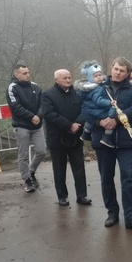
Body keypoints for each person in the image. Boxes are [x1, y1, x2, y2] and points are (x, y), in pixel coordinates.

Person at [90, 57, 132, 230]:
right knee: (106, 178)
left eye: (122, 70)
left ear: (127, 73)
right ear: (111, 68)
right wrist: (100, 122)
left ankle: (130, 216)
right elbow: (87, 109)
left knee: (128, 177)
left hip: (125, 141)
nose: (118, 72)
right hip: (102, 140)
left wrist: (116, 120)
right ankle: (112, 213)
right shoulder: (98, 87)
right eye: (116, 69)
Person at [42, 69, 91, 207]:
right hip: (58, 138)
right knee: (59, 169)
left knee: (79, 168)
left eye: (69, 78)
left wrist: (79, 123)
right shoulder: (48, 95)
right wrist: (69, 125)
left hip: (76, 137)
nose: (68, 80)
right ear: (56, 79)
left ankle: (82, 195)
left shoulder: (77, 93)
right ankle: (62, 196)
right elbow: (49, 114)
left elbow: (85, 109)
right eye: (64, 78)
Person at [6, 64, 47, 193]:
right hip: (22, 125)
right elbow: (15, 107)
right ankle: (27, 180)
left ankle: (31, 171)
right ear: (16, 75)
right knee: (23, 155)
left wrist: (38, 116)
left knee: (41, 151)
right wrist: (31, 116)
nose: (28, 75)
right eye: (24, 73)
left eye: (28, 72)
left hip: (37, 125)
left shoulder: (35, 86)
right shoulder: (12, 88)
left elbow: (43, 103)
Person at [77, 63, 116, 147]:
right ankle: (107, 138)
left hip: (92, 111)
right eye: (95, 76)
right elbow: (98, 100)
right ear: (90, 78)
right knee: (112, 115)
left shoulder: (88, 89)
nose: (99, 77)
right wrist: (110, 103)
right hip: (100, 111)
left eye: (100, 75)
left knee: (89, 121)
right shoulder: (97, 88)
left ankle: (86, 133)